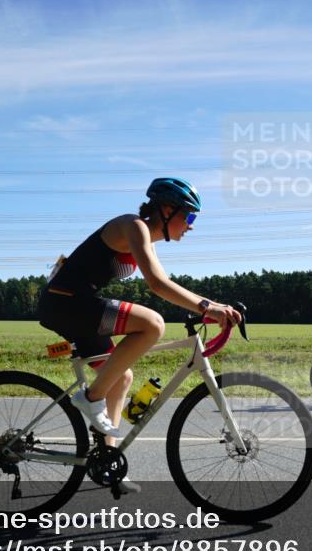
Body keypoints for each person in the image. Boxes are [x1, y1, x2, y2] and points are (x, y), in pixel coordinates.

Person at [37, 177, 242, 492]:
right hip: (67, 302)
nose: (191, 226)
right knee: (152, 324)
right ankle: (91, 398)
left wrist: (213, 306)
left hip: (73, 305)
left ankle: (107, 458)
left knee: (122, 378)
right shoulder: (134, 226)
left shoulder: (144, 237)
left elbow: (166, 282)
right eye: (189, 217)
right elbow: (157, 285)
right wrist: (207, 308)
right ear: (168, 210)